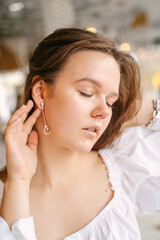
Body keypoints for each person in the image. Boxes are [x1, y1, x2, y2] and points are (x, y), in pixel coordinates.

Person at [0, 28, 159, 240]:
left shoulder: (124, 164)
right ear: (40, 91)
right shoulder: (6, 194)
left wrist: (131, 111)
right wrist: (18, 182)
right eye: (87, 93)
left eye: (110, 102)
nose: (104, 111)